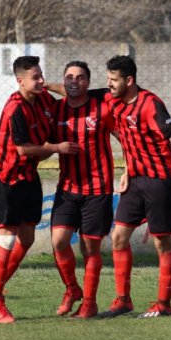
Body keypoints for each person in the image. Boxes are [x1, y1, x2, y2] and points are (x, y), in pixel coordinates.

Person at [98, 55, 171, 318]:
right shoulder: (111, 99)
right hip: (135, 181)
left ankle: (164, 304)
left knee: (161, 242)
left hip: (159, 182)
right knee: (118, 237)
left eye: (113, 80)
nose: (109, 84)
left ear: (129, 80)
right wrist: (46, 85)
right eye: (107, 79)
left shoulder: (151, 104)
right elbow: (77, 92)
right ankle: (122, 301)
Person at [0, 56, 80, 324]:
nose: (40, 81)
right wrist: (56, 148)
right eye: (34, 77)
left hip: (28, 177)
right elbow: (23, 149)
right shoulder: (15, 108)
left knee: (27, 239)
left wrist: (48, 86)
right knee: (8, 238)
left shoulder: (43, 99)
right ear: (19, 81)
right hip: (6, 179)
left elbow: (71, 96)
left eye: (41, 76)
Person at [47, 61, 116, 319]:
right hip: (67, 188)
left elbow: (125, 139)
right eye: (69, 77)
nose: (74, 81)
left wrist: (130, 170)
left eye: (80, 77)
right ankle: (72, 289)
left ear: (88, 82)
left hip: (98, 189)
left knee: (90, 249)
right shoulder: (55, 110)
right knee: (59, 241)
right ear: (64, 81)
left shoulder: (102, 109)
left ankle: (89, 303)